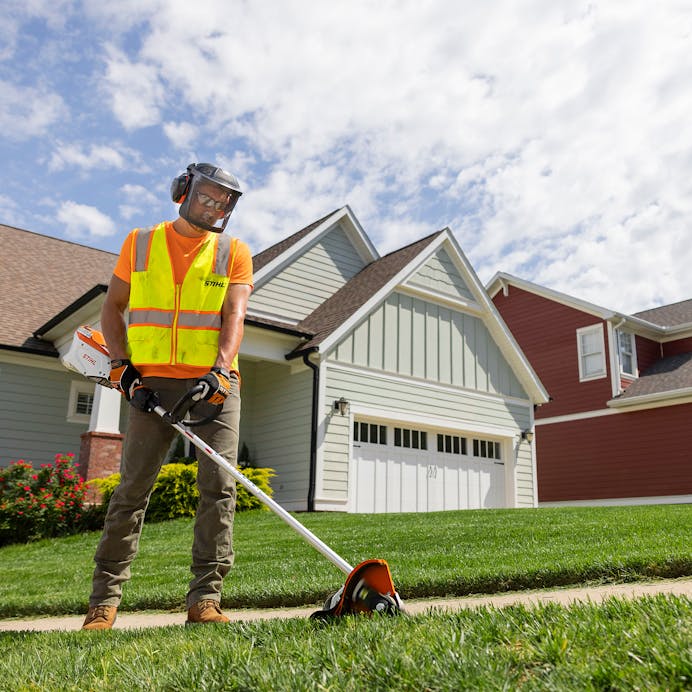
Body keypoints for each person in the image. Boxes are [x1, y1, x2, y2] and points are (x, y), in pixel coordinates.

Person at [82, 163, 253, 630]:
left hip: (214, 387)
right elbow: (112, 308)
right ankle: (104, 602)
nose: (217, 207)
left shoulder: (233, 252)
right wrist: (121, 365)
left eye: (226, 202)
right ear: (183, 191)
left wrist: (221, 371)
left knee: (218, 489)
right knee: (132, 491)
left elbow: (234, 315)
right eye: (209, 196)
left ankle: (205, 600)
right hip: (150, 385)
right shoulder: (139, 243)